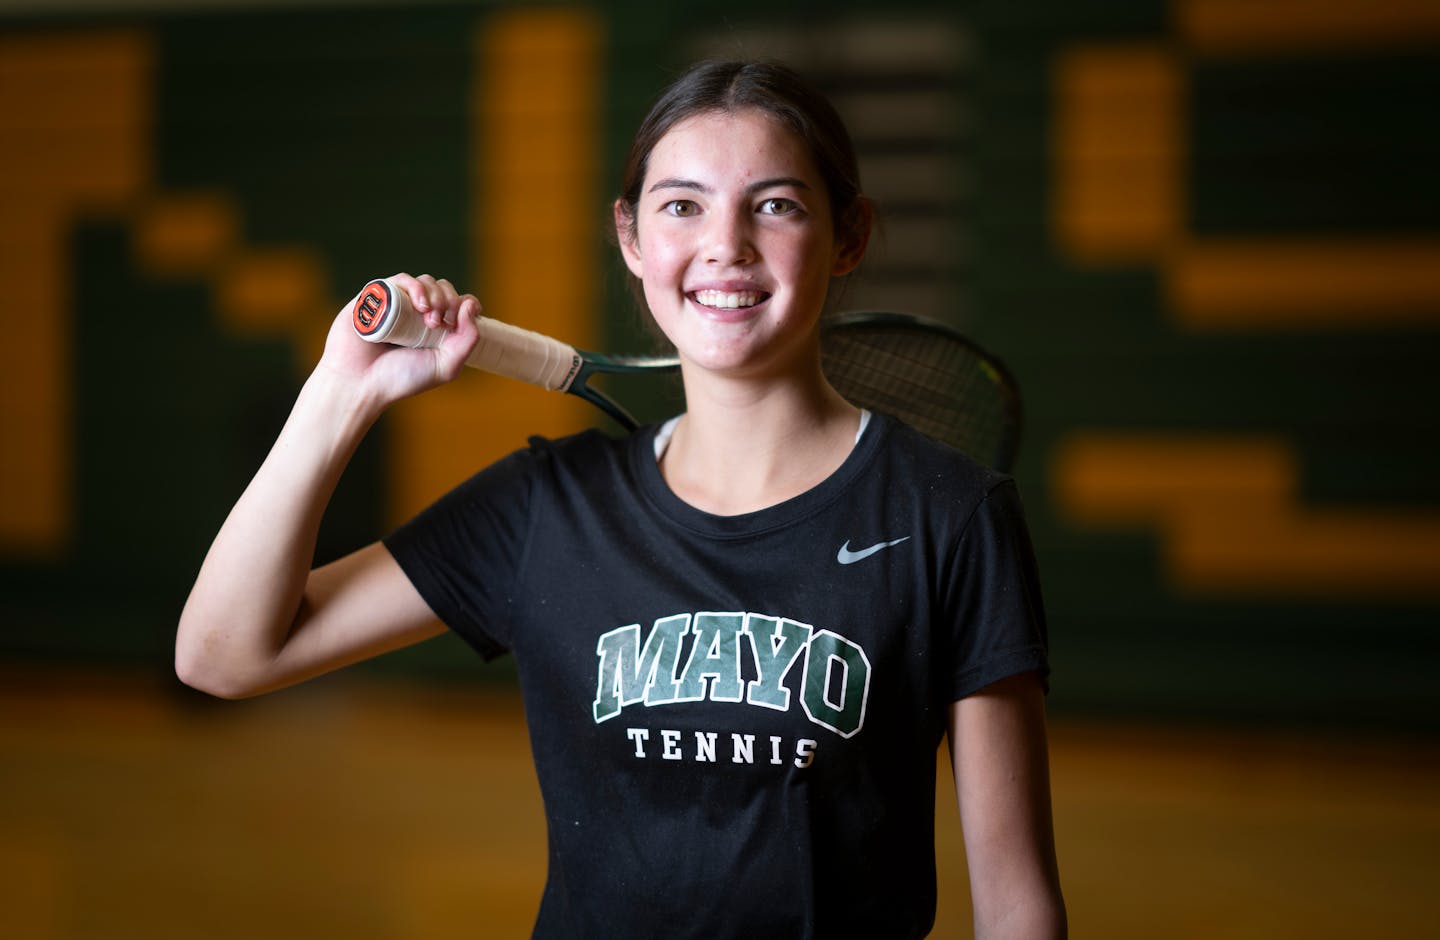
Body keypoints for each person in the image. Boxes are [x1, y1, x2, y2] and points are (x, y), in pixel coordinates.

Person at [177, 60, 1066, 939]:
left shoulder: (950, 513)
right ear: (632, 236)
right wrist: (341, 392)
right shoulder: (547, 509)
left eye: (776, 204)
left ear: (849, 236)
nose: (726, 244)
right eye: (682, 204)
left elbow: (1017, 903)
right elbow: (223, 656)